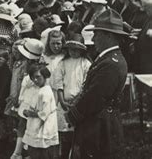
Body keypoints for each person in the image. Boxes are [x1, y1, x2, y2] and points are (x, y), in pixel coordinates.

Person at [66, 9, 128, 159]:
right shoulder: (108, 59)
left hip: (100, 125)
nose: (93, 39)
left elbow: (95, 96)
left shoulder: (110, 64)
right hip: (98, 121)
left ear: (109, 36)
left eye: (97, 34)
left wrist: (73, 114)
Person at [52, 34, 91, 159]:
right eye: (71, 49)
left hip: (79, 103)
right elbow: (58, 83)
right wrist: (62, 100)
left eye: (77, 49)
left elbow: (87, 84)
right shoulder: (62, 63)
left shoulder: (86, 63)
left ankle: (77, 154)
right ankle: (64, 155)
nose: (73, 52)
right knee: (65, 134)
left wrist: (77, 100)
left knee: (78, 133)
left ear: (82, 50)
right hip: (64, 102)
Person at [21, 63, 59, 159]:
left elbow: (44, 113)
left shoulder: (46, 92)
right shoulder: (39, 89)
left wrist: (29, 113)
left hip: (42, 126)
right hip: (36, 124)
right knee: (35, 151)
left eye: (38, 77)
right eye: (33, 78)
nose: (35, 80)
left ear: (45, 76)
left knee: (41, 152)